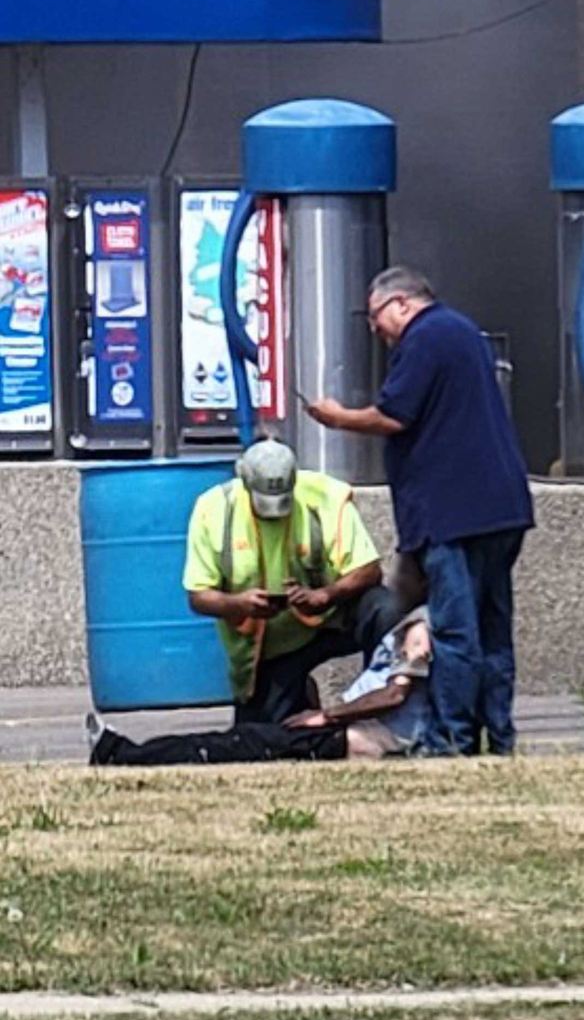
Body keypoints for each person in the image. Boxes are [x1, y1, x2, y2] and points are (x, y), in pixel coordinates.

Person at [308, 266, 534, 758]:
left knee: (453, 630)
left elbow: (394, 414)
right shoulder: (464, 333)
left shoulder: (424, 337)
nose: (376, 330)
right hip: (503, 508)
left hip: (454, 513)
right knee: (493, 629)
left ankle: (449, 740)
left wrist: (336, 418)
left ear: (403, 304)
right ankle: (499, 736)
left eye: (376, 316)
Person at [86, 557, 432, 766]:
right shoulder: (415, 623)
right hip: (340, 728)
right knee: (242, 740)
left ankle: (121, 754)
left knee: (239, 746)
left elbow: (394, 695)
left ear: (425, 581)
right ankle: (120, 751)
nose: (395, 580)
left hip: (355, 738)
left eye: (404, 572)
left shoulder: (420, 629)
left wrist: (326, 715)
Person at [182, 438, 400, 726]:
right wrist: (239, 603)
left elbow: (370, 570)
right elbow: (198, 596)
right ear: (244, 482)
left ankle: (381, 707)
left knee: (385, 608)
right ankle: (302, 696)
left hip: (333, 618)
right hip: (274, 645)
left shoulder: (323, 497)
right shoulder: (214, 510)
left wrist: (325, 595)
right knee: (267, 734)